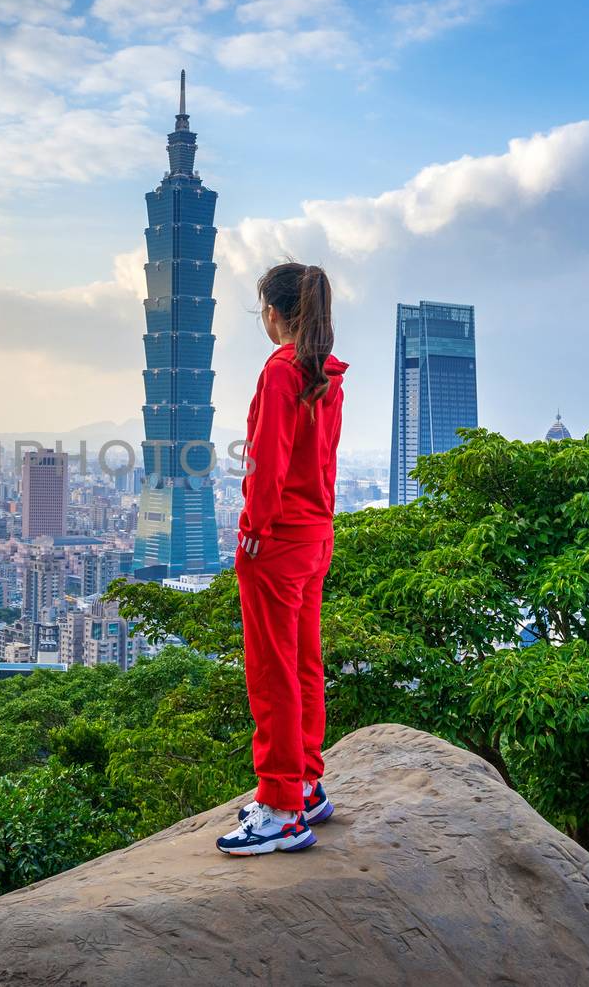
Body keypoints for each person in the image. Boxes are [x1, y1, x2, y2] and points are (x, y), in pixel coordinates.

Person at [216, 262, 346, 856]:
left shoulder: (280, 371)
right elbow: (319, 461)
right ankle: (307, 782)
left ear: (273, 314)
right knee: (303, 663)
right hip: (316, 534)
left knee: (271, 673)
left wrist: (251, 531)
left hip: (279, 540)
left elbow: (267, 464)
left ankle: (279, 808)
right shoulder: (326, 371)